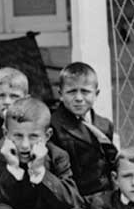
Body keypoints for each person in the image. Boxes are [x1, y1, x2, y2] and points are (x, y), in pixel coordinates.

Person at [49, 62, 118, 197]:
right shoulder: (53, 125)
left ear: (96, 93)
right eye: (71, 92)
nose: (79, 98)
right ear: (61, 94)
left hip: (106, 195)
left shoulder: (104, 124)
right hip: (75, 197)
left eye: (85, 91)